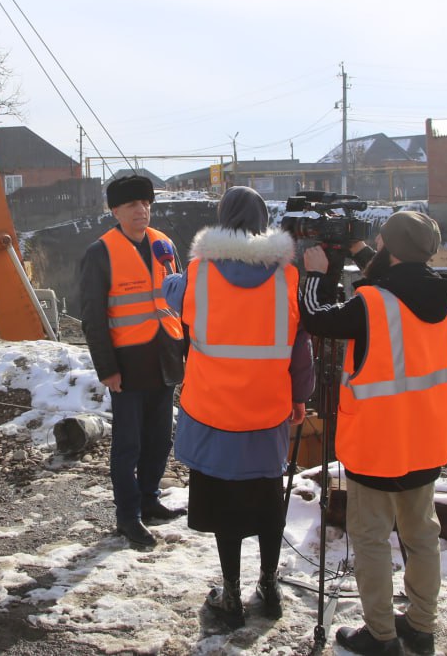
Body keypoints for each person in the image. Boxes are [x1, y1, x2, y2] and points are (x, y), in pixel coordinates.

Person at [298, 210, 447, 656]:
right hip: (426, 440)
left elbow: (317, 317)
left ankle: (381, 637)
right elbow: (403, 280)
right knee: (421, 535)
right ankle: (421, 628)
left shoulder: (372, 305)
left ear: (390, 249)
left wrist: (313, 275)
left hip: (378, 444)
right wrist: (360, 252)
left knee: (370, 538)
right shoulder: (441, 298)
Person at [161, 186, 313, 630]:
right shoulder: (288, 275)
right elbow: (300, 346)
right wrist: (299, 397)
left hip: (212, 411)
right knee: (267, 498)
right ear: (263, 222)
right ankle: (269, 585)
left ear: (222, 219)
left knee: (224, 504)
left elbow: (171, 295)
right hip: (267, 412)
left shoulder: (196, 273)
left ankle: (229, 594)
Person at [80, 174, 187, 549]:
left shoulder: (165, 245)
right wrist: (107, 369)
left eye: (145, 203)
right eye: (131, 205)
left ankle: (149, 498)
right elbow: (93, 317)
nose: (141, 210)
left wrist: (186, 348)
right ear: (115, 211)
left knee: (160, 438)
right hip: (128, 362)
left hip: (166, 357)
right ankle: (128, 515)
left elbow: (179, 300)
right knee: (128, 444)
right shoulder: (101, 252)